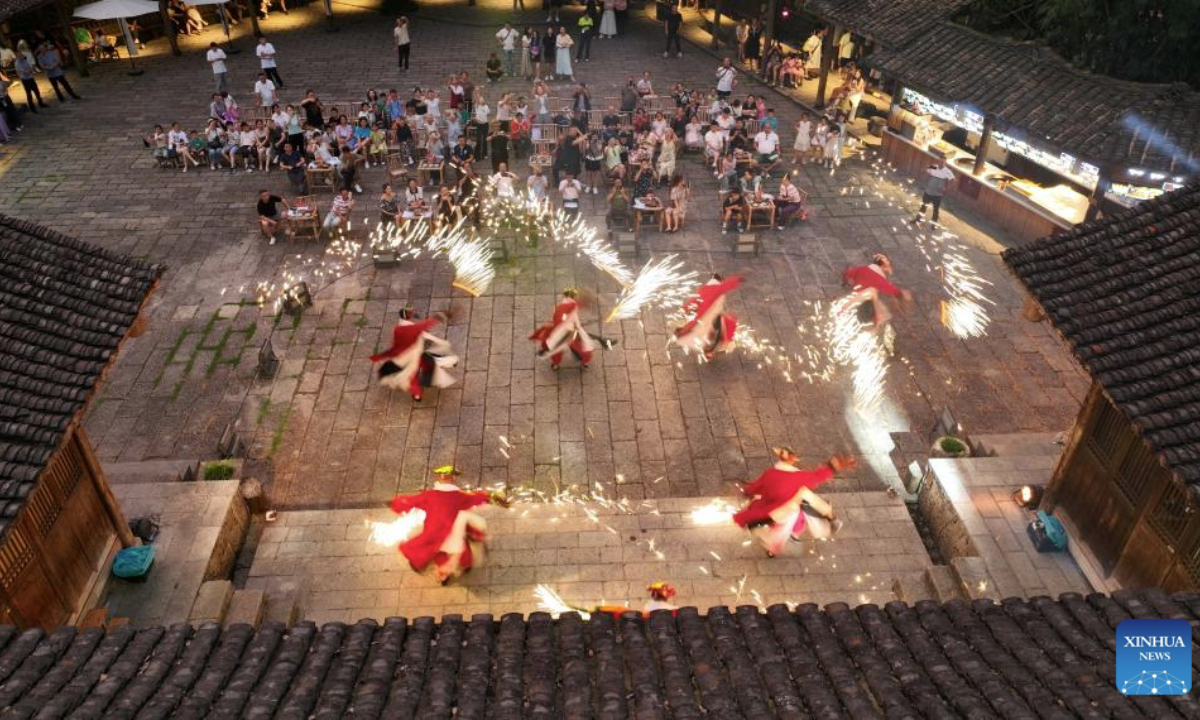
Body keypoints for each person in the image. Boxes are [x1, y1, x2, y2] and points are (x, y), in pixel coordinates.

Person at [387, 465, 510, 585]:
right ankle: (466, 564)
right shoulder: (459, 496)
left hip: (433, 534)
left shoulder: (429, 496)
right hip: (453, 531)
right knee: (461, 546)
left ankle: (444, 576)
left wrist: (395, 504)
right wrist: (489, 496)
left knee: (438, 552)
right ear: (452, 479)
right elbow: (475, 499)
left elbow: (410, 502)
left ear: (439, 479)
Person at [734, 447, 856, 557]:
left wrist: (747, 492)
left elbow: (754, 488)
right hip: (787, 513)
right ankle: (775, 546)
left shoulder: (769, 474)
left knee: (776, 524)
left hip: (767, 510)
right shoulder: (800, 477)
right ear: (793, 459)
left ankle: (772, 542)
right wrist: (832, 468)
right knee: (789, 524)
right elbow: (817, 477)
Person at [371, 308, 459, 402]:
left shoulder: (398, 329)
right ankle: (417, 394)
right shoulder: (411, 328)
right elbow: (425, 327)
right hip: (410, 357)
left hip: (406, 355)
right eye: (410, 313)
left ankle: (417, 394)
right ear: (408, 316)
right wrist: (440, 318)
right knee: (415, 373)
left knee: (422, 367)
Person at [674, 273, 740, 358]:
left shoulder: (704, 290)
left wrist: (687, 308)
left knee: (705, 332)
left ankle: (707, 348)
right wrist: (738, 279)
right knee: (714, 334)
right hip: (710, 318)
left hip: (705, 317)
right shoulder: (718, 289)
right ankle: (708, 351)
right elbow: (729, 284)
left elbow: (694, 300)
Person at [530, 288, 595, 370]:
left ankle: (582, 361)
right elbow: (560, 321)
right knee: (556, 349)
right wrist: (571, 328)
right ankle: (556, 364)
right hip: (561, 334)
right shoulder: (566, 307)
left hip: (571, 332)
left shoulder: (571, 304)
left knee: (583, 349)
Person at [843, 252, 912, 327]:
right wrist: (903, 295)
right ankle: (876, 324)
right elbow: (897, 292)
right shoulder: (882, 282)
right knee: (885, 313)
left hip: (858, 296)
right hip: (865, 302)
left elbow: (848, 275)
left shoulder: (862, 269)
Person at [913, 159, 955, 226]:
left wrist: (946, 189)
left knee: (935, 209)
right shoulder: (934, 166)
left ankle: (934, 224)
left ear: (945, 163)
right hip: (928, 191)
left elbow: (953, 180)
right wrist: (925, 169)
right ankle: (918, 219)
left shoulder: (947, 171)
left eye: (943, 162)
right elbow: (923, 171)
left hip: (937, 195)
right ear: (938, 161)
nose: (941, 163)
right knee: (923, 206)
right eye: (940, 161)